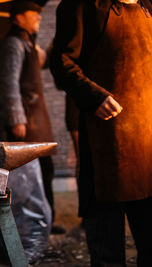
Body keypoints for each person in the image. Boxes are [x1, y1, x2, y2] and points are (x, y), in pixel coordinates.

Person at [50, 0, 152, 265]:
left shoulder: (148, 6)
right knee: (108, 252)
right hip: (108, 143)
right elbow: (62, 62)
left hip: (148, 145)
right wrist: (93, 97)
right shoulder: (84, 6)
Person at [0, 0, 65, 234]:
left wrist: (61, 40)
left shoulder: (27, 42)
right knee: (33, 176)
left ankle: (44, 221)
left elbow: (42, 61)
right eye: (33, 13)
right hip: (28, 122)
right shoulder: (14, 43)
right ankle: (34, 223)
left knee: (45, 171)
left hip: (36, 120)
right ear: (18, 17)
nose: (38, 17)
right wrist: (17, 119)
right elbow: (9, 83)